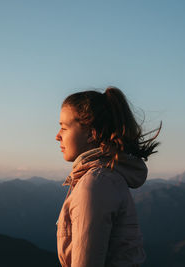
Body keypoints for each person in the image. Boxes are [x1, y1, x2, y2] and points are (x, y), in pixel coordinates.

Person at [55, 86, 161, 267]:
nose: (58, 136)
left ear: (91, 133)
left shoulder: (95, 184)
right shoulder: (104, 178)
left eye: (64, 128)